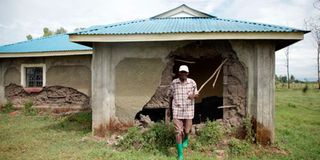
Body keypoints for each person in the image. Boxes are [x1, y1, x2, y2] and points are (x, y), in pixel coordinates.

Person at [169, 65, 199, 160]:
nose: (183, 74)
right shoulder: (174, 83)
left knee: (186, 130)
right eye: (182, 72)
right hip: (177, 110)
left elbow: (197, 94)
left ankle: (186, 136)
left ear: (187, 73)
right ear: (179, 73)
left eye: (185, 72)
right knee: (178, 132)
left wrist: (193, 96)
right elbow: (170, 96)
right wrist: (170, 109)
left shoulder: (192, 82)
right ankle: (180, 154)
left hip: (188, 110)